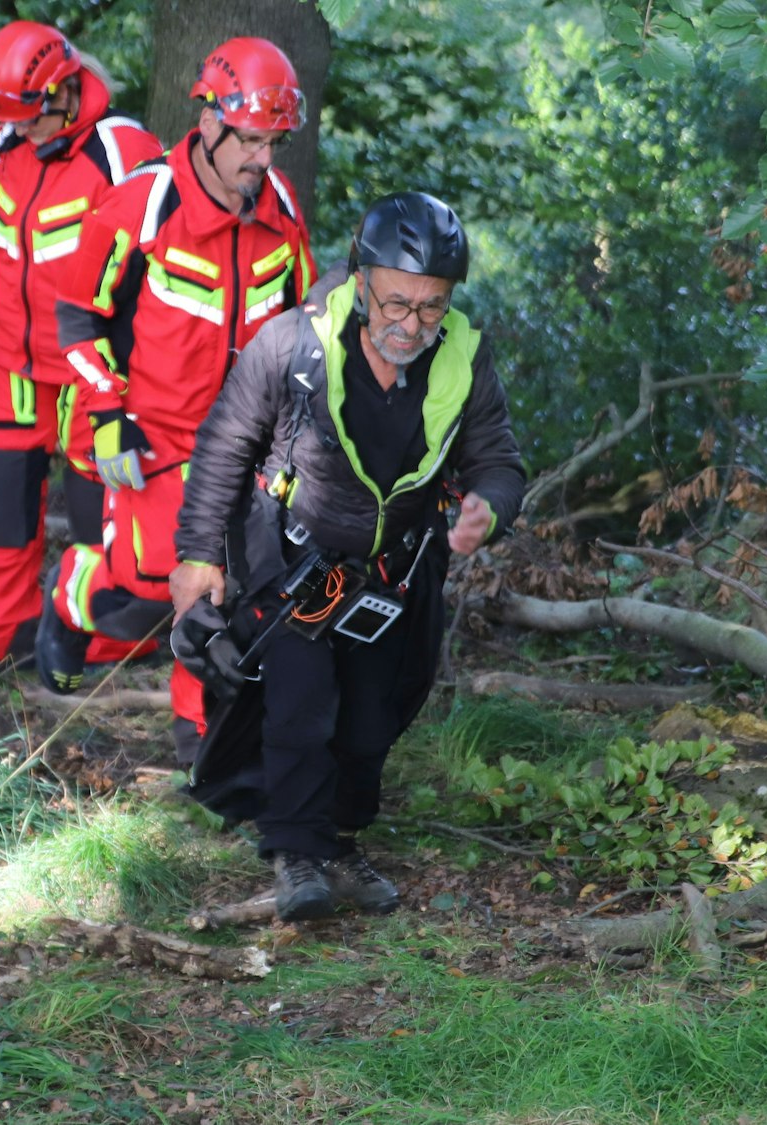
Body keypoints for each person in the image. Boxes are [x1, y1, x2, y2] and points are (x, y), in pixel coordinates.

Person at [167, 192, 525, 922]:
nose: (411, 325)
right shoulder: (289, 346)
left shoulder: (463, 356)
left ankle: (342, 842)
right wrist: (199, 555)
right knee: (300, 706)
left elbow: (497, 459)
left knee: (371, 715)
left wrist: (487, 507)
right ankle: (296, 852)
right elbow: (223, 447)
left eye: (431, 306)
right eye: (396, 303)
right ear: (361, 281)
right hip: (294, 562)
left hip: (394, 573)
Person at [35, 37, 315, 767]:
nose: (262, 159)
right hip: (152, 432)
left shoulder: (281, 207)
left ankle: (200, 740)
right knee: (146, 590)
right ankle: (72, 593)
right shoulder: (144, 203)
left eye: (273, 143)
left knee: (226, 585)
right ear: (210, 122)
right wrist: (106, 414)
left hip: (245, 441)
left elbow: (303, 326)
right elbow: (77, 319)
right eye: (249, 140)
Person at [0, 20, 164, 689]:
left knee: (100, 515)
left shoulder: (123, 153)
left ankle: (106, 638)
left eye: (27, 118)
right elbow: (1, 178)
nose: (19, 131)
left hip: (92, 366)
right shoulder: (12, 139)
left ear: (63, 92)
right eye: (8, 121)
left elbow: (162, 252)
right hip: (9, 360)